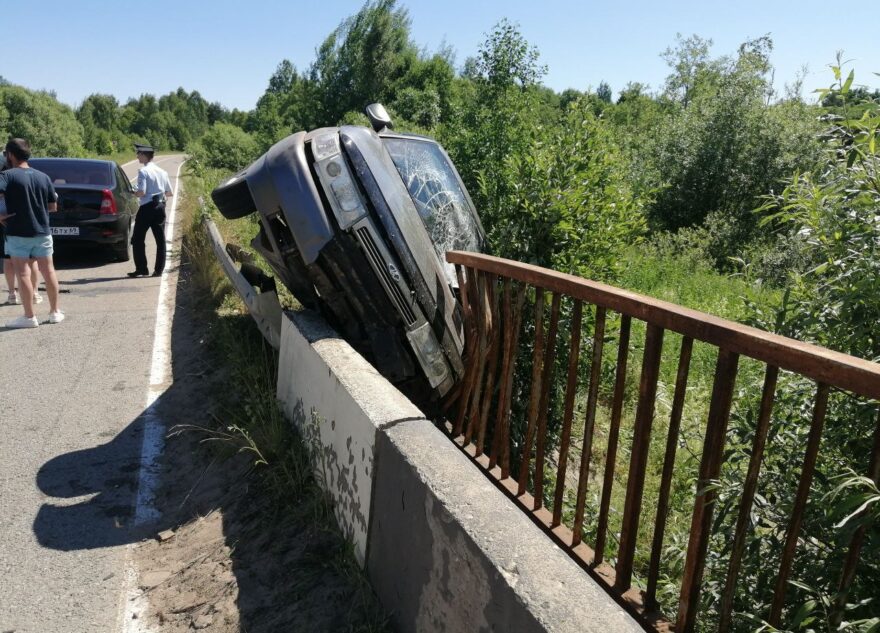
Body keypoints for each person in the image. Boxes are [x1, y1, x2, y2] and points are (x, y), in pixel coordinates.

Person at [0, 138, 63, 327]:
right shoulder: (43, 176)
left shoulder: (7, 176)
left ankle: (29, 317)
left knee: (24, 274)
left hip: (18, 232)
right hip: (42, 231)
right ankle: (55, 312)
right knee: (49, 271)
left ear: (10, 155)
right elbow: (52, 207)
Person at [129, 143, 173, 277]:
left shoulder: (143, 171)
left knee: (137, 238)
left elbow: (142, 192)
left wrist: (133, 192)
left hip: (147, 208)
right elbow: (169, 193)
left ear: (144, 155)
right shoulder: (163, 172)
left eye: (138, 154)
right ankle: (159, 270)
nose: (137, 156)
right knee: (160, 240)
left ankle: (142, 269)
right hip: (160, 207)